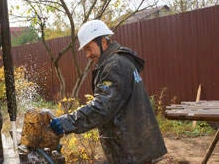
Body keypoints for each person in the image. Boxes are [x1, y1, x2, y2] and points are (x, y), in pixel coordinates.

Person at [50, 20, 167, 164]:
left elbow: (102, 108)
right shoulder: (119, 60)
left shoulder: (115, 65)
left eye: (89, 48)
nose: (87, 55)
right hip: (134, 145)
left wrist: (67, 122)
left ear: (103, 41)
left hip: (132, 151)